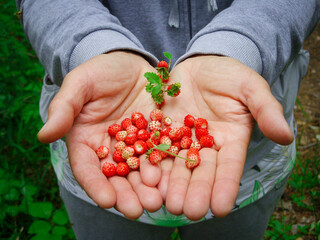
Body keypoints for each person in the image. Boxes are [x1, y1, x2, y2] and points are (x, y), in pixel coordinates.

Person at [17, 0, 319, 239]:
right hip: (95, 135)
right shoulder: (129, 140)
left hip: (250, 156)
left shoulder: (183, 136)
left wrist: (241, 46)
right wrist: (91, 48)